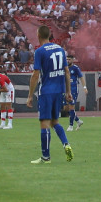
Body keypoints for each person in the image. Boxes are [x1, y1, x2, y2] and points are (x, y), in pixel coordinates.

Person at [25, 25, 74, 164]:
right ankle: (66, 144)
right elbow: (67, 71)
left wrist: (30, 95)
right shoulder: (60, 49)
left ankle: (46, 157)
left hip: (46, 91)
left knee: (44, 123)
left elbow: (35, 74)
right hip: (59, 90)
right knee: (54, 121)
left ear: (39, 35)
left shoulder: (39, 51)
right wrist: (68, 92)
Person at [67, 54, 86, 131]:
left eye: (69, 59)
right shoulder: (64, 68)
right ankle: (78, 121)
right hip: (66, 90)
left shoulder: (75, 68)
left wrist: (84, 87)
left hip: (74, 89)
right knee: (67, 108)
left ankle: (71, 126)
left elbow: (81, 77)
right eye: (67, 59)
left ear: (72, 60)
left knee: (71, 107)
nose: (68, 61)